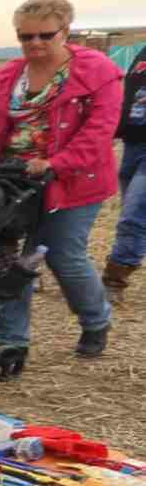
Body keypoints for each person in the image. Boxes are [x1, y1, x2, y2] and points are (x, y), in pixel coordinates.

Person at [0, 0, 120, 359]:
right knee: (8, 260)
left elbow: (99, 130)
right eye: (26, 36)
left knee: (63, 255)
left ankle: (95, 318)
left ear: (65, 31)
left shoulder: (97, 71)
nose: (34, 43)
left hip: (74, 180)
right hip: (13, 180)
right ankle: (12, 339)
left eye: (45, 35)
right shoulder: (7, 77)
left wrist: (56, 162)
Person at [101, 46, 146, 298]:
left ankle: (114, 279)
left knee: (134, 213)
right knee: (134, 212)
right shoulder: (143, 54)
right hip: (133, 143)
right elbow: (129, 95)